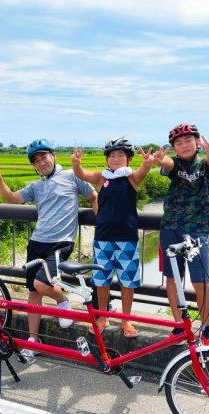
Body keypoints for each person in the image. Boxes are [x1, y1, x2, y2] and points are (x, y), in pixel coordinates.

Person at [0, 139, 97, 358]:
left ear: (53, 155)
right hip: (37, 242)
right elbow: (11, 199)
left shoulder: (73, 176)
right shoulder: (36, 186)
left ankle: (63, 300)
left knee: (41, 282)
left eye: (44, 157)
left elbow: (93, 195)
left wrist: (101, 216)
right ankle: (33, 340)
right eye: (36, 161)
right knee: (33, 292)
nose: (41, 162)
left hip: (60, 242)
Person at [71, 138, 153, 337]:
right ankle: (102, 317)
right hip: (103, 237)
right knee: (101, 280)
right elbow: (82, 174)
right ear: (107, 159)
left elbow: (142, 172)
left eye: (121, 155)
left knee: (127, 282)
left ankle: (126, 320)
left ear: (129, 159)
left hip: (127, 237)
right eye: (112, 156)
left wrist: (147, 163)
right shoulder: (101, 178)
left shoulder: (131, 178)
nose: (116, 159)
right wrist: (76, 163)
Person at [153, 123, 209, 346]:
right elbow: (168, 164)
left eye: (188, 141)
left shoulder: (205, 166)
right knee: (173, 279)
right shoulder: (175, 165)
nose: (184, 145)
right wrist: (159, 159)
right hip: (171, 228)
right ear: (174, 147)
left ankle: (206, 327)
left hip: (197, 231)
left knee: (201, 281)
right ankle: (178, 325)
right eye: (178, 143)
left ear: (196, 143)